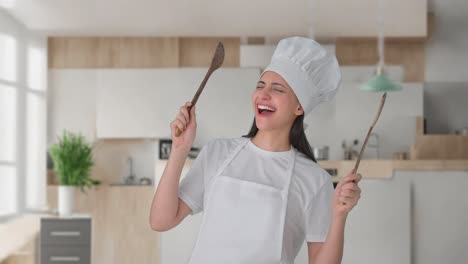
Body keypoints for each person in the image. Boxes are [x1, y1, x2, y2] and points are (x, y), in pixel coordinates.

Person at [150, 36, 362, 264]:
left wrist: (339, 216)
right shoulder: (217, 153)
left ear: (299, 106)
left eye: (277, 89)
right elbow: (161, 221)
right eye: (260, 85)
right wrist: (179, 149)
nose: (263, 94)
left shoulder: (314, 179)